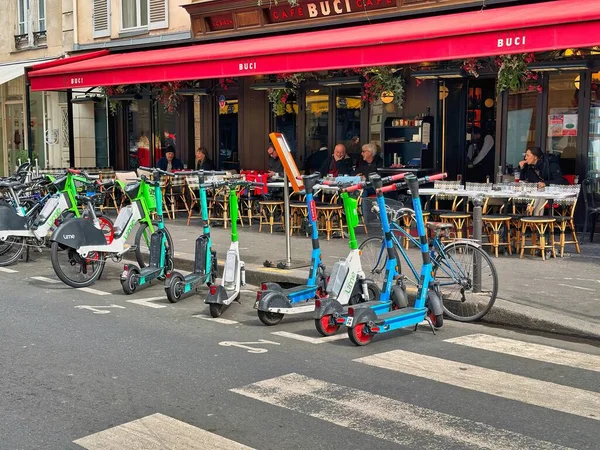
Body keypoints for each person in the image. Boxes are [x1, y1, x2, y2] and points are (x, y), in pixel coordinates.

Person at [518, 146, 566, 215]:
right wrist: (522, 169)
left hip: (554, 192)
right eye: (525, 155)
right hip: (539, 193)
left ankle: (531, 213)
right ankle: (535, 218)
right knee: (540, 193)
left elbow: (560, 181)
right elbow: (522, 181)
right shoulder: (529, 166)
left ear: (535, 157)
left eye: (528, 155)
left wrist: (545, 183)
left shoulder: (551, 165)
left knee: (540, 192)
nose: (525, 158)